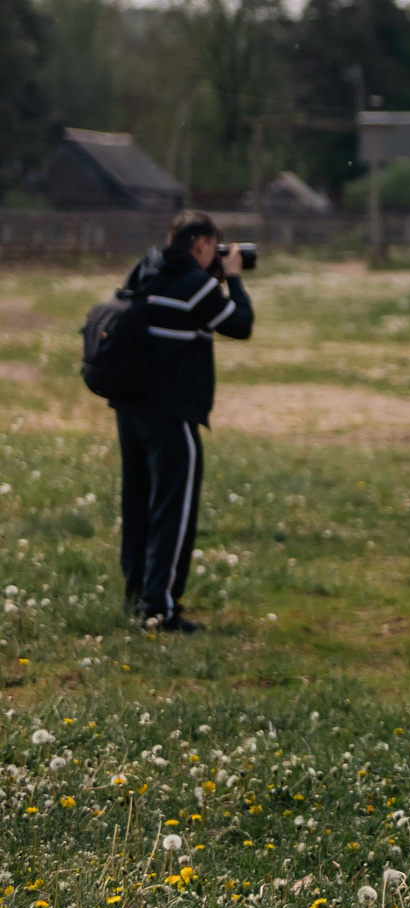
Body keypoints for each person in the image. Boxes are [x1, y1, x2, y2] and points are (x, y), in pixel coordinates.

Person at [113, 210, 253, 632]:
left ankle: (138, 595)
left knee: (138, 505)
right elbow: (241, 325)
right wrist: (235, 278)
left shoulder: (145, 270)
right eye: (216, 246)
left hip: (130, 408)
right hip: (172, 413)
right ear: (202, 245)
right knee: (173, 511)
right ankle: (161, 609)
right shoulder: (194, 284)